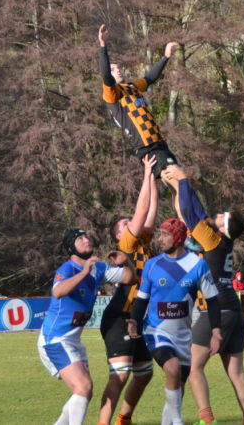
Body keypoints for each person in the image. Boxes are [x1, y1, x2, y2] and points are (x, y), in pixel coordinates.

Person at [164, 165, 244, 425]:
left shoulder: (213, 239)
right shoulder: (223, 241)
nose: (218, 215)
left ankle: (207, 419)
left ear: (224, 227)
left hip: (214, 311)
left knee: (194, 369)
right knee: (236, 371)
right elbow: (184, 211)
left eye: (222, 216)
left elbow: (192, 213)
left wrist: (183, 180)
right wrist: (176, 185)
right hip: (235, 312)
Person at [127, 217, 223, 425]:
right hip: (156, 331)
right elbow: (141, 300)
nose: (160, 239)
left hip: (183, 336)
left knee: (178, 385)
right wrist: (134, 321)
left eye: (165, 234)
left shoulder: (198, 265)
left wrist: (216, 332)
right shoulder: (153, 265)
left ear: (178, 238)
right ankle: (178, 421)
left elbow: (213, 301)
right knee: (172, 369)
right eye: (160, 234)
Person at [38, 228, 134, 425]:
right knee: (84, 387)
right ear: (71, 247)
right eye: (80, 239)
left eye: (86, 237)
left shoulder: (98, 268)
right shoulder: (67, 269)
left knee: (84, 392)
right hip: (55, 339)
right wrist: (84, 272)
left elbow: (129, 277)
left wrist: (126, 261)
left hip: (73, 340)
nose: (86, 240)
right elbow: (58, 292)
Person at [97, 155, 160, 425]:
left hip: (138, 318)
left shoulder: (142, 241)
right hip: (119, 318)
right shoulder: (126, 245)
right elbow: (142, 207)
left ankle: (124, 417)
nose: (129, 223)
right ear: (117, 236)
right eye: (123, 224)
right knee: (120, 375)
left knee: (144, 373)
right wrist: (145, 172)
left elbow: (151, 209)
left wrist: (154, 178)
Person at [98, 24, 180, 178]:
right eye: (113, 69)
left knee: (165, 187)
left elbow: (150, 77)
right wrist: (103, 46)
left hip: (159, 142)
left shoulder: (132, 87)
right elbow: (105, 76)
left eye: (118, 67)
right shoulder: (112, 94)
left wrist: (166, 57)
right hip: (147, 146)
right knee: (178, 177)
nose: (118, 70)